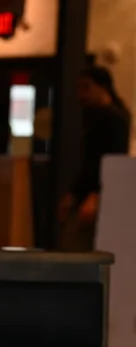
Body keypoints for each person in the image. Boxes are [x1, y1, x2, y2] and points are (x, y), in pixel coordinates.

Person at [59, 65, 132, 251]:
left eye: (86, 87)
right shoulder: (97, 117)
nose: (81, 95)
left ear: (102, 87)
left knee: (80, 247)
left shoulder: (113, 119)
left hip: (97, 195)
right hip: (91, 193)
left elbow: (111, 159)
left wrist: (96, 195)